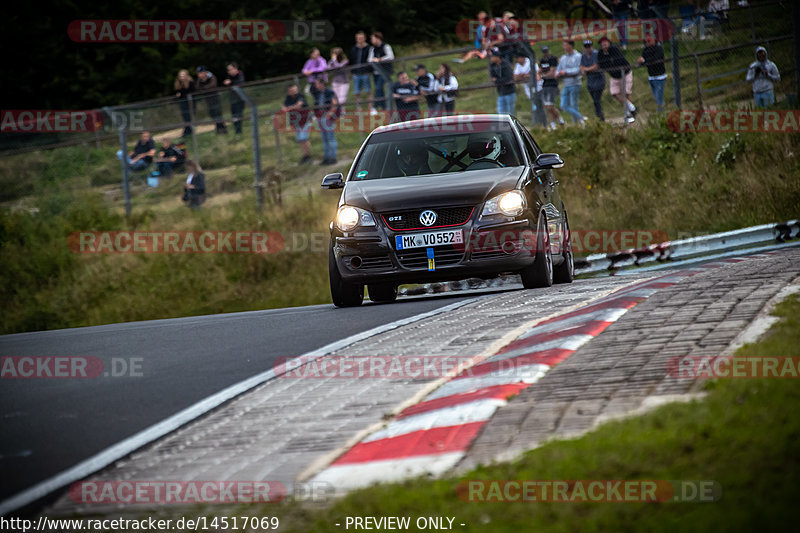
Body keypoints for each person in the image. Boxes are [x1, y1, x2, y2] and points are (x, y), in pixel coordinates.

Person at [598, 36, 637, 122]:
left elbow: (619, 60)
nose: (604, 45)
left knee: (626, 94)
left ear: (609, 43)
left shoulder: (614, 49)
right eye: (602, 44)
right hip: (614, 76)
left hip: (625, 73)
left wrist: (611, 64)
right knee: (615, 93)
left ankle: (629, 114)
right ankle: (632, 108)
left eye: (605, 43)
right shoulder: (600, 53)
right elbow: (601, 65)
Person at [281, 84, 313, 165]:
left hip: (305, 120)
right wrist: (292, 107)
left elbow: (299, 105)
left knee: (304, 138)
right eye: (292, 90)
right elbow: (284, 109)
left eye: (295, 89)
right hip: (296, 122)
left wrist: (290, 108)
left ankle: (308, 156)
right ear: (289, 91)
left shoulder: (300, 96)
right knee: (300, 139)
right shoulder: (288, 98)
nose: (294, 91)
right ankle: (305, 156)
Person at [556, 40, 586, 125]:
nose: (563, 47)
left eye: (565, 45)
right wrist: (557, 73)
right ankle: (581, 118)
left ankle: (576, 124)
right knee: (563, 106)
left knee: (574, 105)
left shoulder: (578, 56)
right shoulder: (563, 58)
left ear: (571, 46)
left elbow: (579, 69)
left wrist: (566, 72)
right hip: (566, 84)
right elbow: (558, 69)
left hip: (575, 83)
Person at [638, 34, 668, 112]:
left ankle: (661, 112)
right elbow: (643, 61)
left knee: (659, 96)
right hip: (651, 76)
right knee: (656, 96)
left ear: (654, 40)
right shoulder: (645, 50)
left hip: (660, 76)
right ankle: (662, 110)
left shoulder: (658, 48)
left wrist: (645, 61)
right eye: (646, 41)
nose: (647, 43)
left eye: (649, 41)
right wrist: (641, 61)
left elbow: (655, 59)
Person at [313, 78, 339, 165]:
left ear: (321, 84)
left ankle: (333, 157)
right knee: (324, 138)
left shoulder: (329, 92)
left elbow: (334, 103)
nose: (316, 86)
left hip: (327, 117)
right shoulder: (318, 94)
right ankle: (327, 157)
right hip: (320, 117)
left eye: (317, 84)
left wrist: (330, 114)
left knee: (330, 137)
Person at [368, 32, 394, 114]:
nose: (371, 40)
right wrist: (373, 60)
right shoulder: (373, 49)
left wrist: (379, 59)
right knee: (380, 89)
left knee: (378, 88)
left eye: (373, 38)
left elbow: (391, 57)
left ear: (377, 38)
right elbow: (369, 59)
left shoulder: (386, 46)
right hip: (376, 72)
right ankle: (383, 107)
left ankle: (375, 107)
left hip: (384, 71)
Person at [540, 45, 564, 130]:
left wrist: (543, 75)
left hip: (552, 84)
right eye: (544, 52)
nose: (545, 53)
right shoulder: (542, 60)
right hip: (545, 84)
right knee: (547, 107)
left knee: (550, 105)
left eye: (546, 51)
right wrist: (542, 75)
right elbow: (540, 70)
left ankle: (560, 119)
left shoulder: (553, 59)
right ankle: (553, 124)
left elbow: (552, 72)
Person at [580, 40, 606, 122]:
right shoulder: (583, 56)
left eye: (589, 46)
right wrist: (585, 70)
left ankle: (599, 117)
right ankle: (599, 116)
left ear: (592, 46)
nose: (588, 49)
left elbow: (596, 66)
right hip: (590, 82)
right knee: (595, 100)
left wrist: (586, 69)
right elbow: (581, 67)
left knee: (596, 100)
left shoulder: (596, 54)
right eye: (586, 47)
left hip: (599, 80)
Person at [196, 66, 227, 134]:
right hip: (208, 100)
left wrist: (204, 88)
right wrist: (205, 89)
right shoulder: (200, 80)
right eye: (198, 73)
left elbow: (212, 85)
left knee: (218, 114)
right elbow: (198, 88)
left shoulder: (211, 76)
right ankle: (218, 129)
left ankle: (223, 129)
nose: (200, 75)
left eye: (201, 73)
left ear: (204, 72)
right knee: (213, 115)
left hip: (215, 98)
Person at [349, 31, 372, 111]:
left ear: (364, 38)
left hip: (365, 73)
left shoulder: (369, 48)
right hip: (356, 73)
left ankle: (370, 107)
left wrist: (368, 70)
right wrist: (353, 71)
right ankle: (359, 107)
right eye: (358, 38)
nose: (360, 40)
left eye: (361, 38)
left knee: (368, 90)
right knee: (357, 91)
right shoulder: (354, 49)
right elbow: (351, 60)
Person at [223, 62, 245, 134]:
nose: (229, 71)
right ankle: (237, 130)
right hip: (233, 100)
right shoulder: (229, 77)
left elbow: (240, 83)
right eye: (228, 70)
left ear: (235, 69)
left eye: (231, 69)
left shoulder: (240, 74)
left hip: (240, 99)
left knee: (239, 115)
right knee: (234, 116)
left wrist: (230, 82)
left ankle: (239, 131)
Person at [174, 70, 195, 137]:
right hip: (182, 103)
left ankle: (187, 131)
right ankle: (188, 130)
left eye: (183, 75)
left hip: (189, 102)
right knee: (185, 117)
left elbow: (190, 91)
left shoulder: (190, 82)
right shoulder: (178, 83)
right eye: (180, 76)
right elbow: (177, 92)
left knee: (188, 117)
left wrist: (181, 93)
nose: (182, 77)